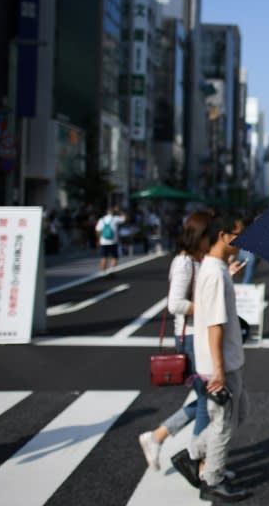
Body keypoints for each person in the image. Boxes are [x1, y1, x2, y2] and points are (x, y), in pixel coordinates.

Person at [173, 211, 250, 502]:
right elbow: (215, 324)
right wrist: (218, 369)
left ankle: (192, 455)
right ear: (223, 236)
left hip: (227, 359)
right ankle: (213, 480)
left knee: (238, 414)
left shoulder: (214, 268)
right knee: (223, 422)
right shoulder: (215, 275)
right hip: (223, 364)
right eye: (238, 234)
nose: (242, 240)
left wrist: (229, 276)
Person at [138, 210, 212, 472]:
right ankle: (197, 459)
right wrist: (206, 306)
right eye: (209, 235)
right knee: (208, 400)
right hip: (190, 338)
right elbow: (175, 303)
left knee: (209, 398)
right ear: (198, 236)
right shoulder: (183, 263)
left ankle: (158, 437)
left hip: (199, 335)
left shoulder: (198, 260)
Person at [95, 206, 126, 272]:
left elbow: (98, 230)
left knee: (103, 257)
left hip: (103, 241)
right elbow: (124, 218)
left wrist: (98, 240)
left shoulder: (101, 219)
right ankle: (112, 270)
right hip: (113, 241)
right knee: (114, 256)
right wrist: (119, 211)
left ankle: (103, 272)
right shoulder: (115, 218)